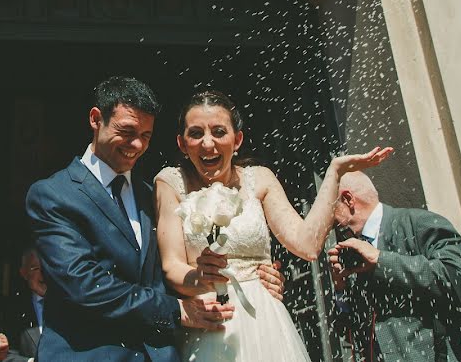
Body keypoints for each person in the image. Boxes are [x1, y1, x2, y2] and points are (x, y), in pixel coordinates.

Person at [25, 76, 285, 361]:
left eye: (146, 136)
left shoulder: (153, 193)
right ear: (96, 119)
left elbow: (173, 268)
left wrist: (250, 278)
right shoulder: (53, 194)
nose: (136, 144)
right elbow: (84, 284)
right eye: (127, 131)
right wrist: (175, 310)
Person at [154, 89, 392, 361]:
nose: (208, 143)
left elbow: (307, 244)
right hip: (210, 318)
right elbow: (171, 266)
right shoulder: (170, 182)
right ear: (182, 144)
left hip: (265, 319)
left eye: (219, 132)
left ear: (237, 140)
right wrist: (202, 277)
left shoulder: (260, 179)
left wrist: (334, 172)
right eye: (196, 133)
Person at [327, 170, 461, 361]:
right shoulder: (352, 254)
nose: (329, 223)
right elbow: (351, 330)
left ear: (348, 199)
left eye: (330, 211)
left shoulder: (420, 223)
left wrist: (381, 260)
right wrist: (341, 289)